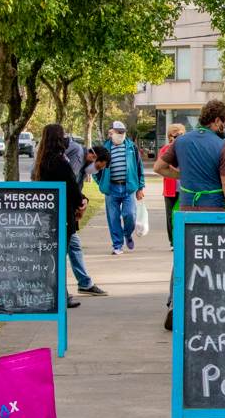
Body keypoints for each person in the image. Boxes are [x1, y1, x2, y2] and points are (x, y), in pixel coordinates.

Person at [154, 100, 225, 329]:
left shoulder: (181, 141)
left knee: (183, 257)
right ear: (217, 120)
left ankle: (175, 304)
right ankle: (213, 306)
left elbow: (159, 167)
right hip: (214, 212)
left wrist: (182, 175)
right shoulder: (222, 146)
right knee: (215, 260)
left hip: (186, 211)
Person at [33, 123, 88, 309]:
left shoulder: (41, 161)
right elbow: (72, 187)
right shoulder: (60, 162)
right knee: (60, 257)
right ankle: (61, 294)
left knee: (54, 256)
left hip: (46, 215)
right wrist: (81, 202)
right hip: (62, 216)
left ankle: (58, 292)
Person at [65, 142, 109, 299]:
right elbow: (69, 185)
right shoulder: (77, 158)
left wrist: (82, 202)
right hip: (64, 211)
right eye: (98, 167)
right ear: (92, 156)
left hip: (69, 210)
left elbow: (76, 189)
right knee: (68, 246)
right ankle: (80, 284)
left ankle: (84, 283)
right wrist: (80, 202)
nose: (96, 171)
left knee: (73, 245)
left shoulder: (82, 170)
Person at [97, 120, 145, 255]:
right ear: (110, 133)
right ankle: (117, 245)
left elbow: (139, 167)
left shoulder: (131, 147)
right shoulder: (104, 148)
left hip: (128, 188)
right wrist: (101, 183)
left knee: (130, 215)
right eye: (117, 132)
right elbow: (96, 169)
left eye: (122, 132)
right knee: (113, 218)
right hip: (111, 188)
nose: (120, 135)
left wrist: (140, 187)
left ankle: (127, 234)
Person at [158, 124, 186, 245]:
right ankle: (173, 241)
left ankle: (182, 239)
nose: (178, 137)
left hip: (185, 188)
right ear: (170, 136)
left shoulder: (187, 148)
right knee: (170, 216)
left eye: (181, 134)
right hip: (170, 188)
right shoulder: (164, 150)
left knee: (182, 214)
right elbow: (161, 167)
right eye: (175, 134)